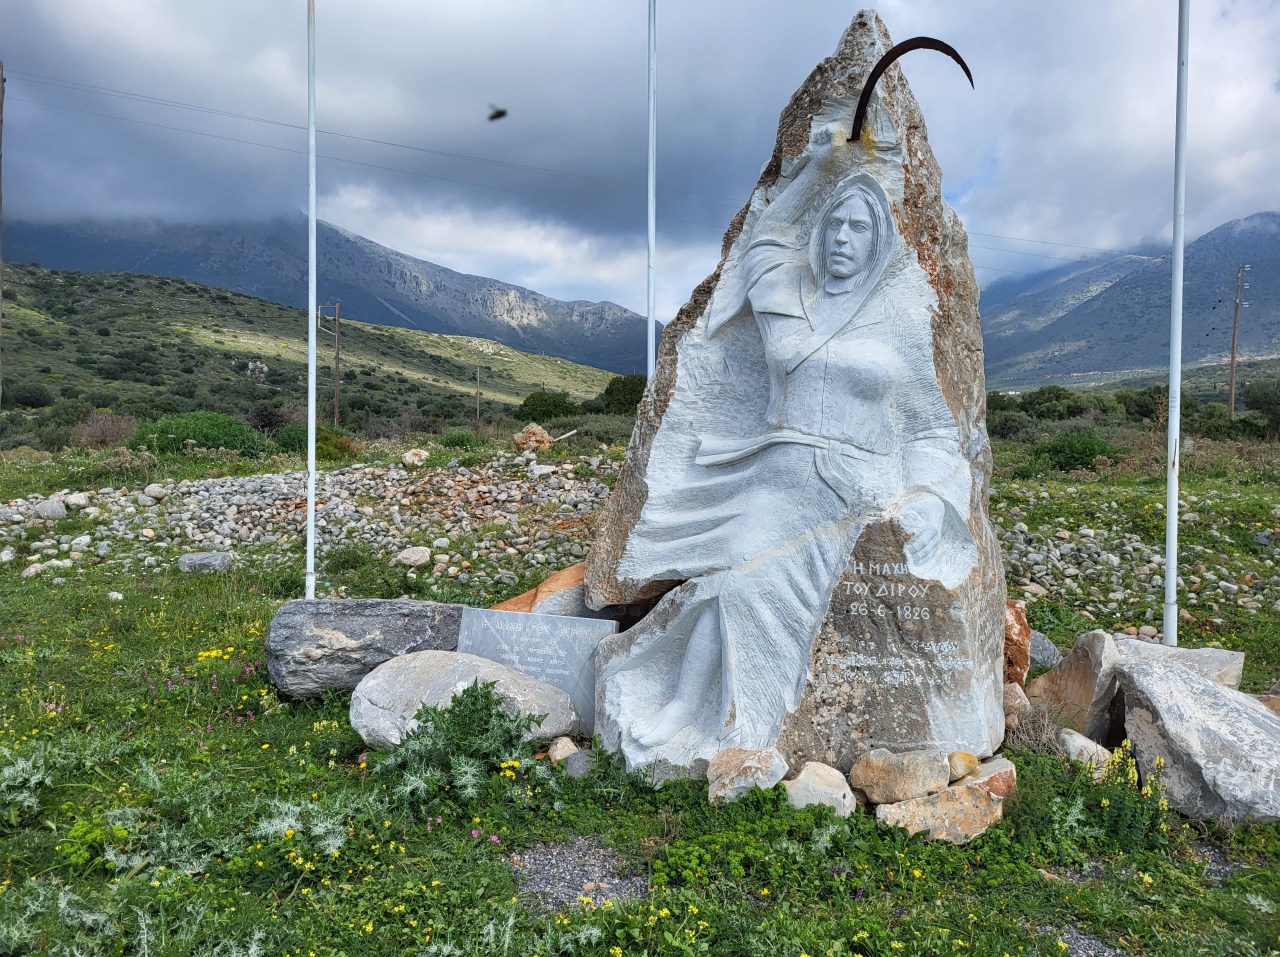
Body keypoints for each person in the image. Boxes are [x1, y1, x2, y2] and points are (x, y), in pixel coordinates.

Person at [603, 171, 976, 767]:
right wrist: (816, 165)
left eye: (859, 227)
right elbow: (763, 236)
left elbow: (931, 427)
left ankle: (739, 722)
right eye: (833, 224)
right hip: (779, 477)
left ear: (878, 241)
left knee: (757, 578)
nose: (842, 238)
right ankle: (694, 706)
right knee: (734, 575)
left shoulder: (900, 320)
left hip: (866, 486)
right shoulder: (783, 295)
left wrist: (932, 496)